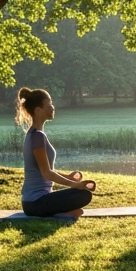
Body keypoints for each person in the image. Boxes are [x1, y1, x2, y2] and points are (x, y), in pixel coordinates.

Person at [15, 87, 95, 219]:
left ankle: (60, 212)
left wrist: (68, 177)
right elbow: (47, 173)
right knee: (84, 195)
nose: (52, 108)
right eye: (48, 105)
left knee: (82, 193)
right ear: (38, 110)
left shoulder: (36, 135)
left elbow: (46, 170)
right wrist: (74, 184)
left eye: (51, 104)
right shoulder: (37, 136)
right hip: (35, 203)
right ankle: (61, 214)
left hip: (35, 202)